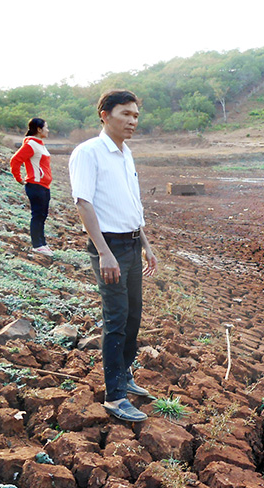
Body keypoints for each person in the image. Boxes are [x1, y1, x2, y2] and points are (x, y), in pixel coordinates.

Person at [68, 90, 157, 422]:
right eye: (126, 114)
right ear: (104, 115)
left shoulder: (126, 154)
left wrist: (146, 244)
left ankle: (124, 373)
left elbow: (132, 204)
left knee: (133, 316)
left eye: (136, 115)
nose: (133, 121)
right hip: (110, 248)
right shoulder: (88, 153)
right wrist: (104, 253)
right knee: (116, 319)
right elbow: (83, 202)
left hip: (132, 244)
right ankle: (114, 396)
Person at [10, 117, 53, 256]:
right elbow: (15, 160)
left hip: (44, 186)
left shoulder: (40, 144)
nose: (48, 130)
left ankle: (42, 243)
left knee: (43, 215)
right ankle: (37, 245)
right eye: (46, 127)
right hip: (35, 186)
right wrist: (18, 178)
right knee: (37, 215)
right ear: (39, 129)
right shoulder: (31, 144)